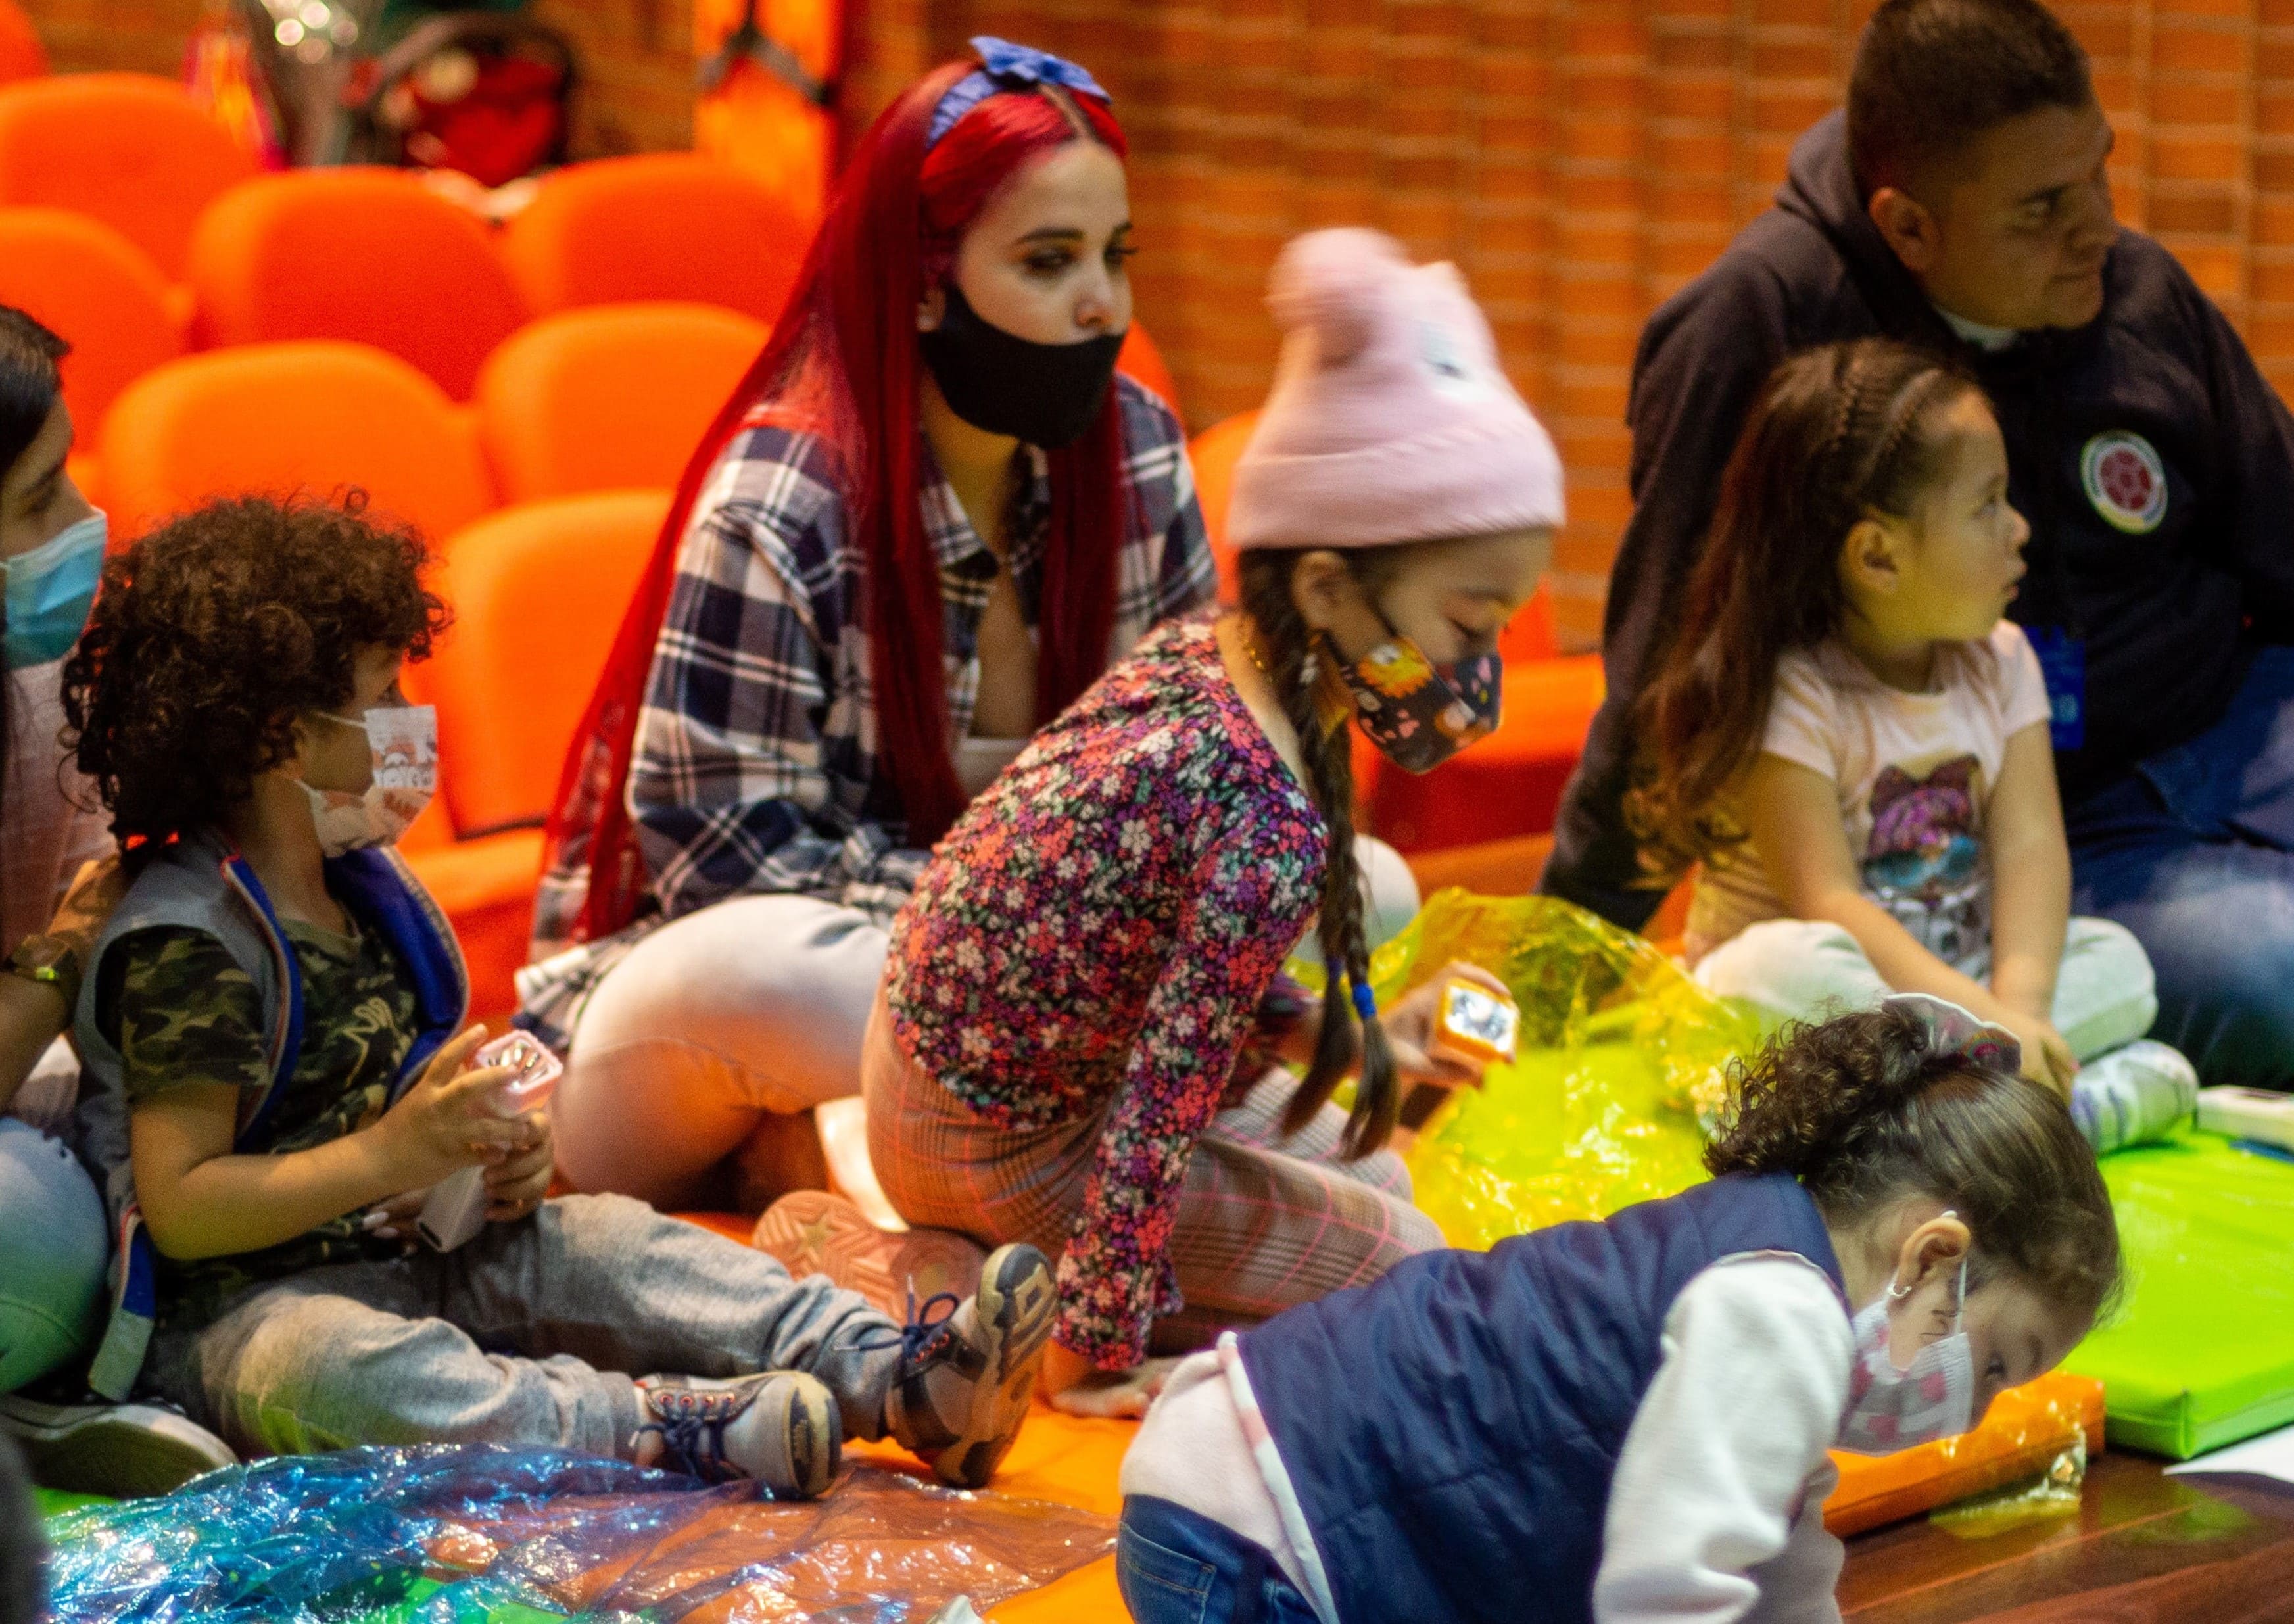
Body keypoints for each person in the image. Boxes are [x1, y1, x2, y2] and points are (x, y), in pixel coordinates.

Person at [57, 495, 1055, 1494]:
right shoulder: (190, 940)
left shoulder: (361, 885)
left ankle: (903, 1377)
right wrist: (393, 1152)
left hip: (414, 1252)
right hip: (243, 1313)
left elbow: (403, 1125)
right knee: (337, 1374)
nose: (411, 714)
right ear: (283, 736)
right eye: (384, 689)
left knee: (616, 1239)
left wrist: (491, 1160)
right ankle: (661, 1425)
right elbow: (183, 1207)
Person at [861, 227, 1561, 1418]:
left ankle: (989, 1257)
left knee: (1380, 1162)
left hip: (942, 1071)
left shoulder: (1209, 654)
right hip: (1001, 1138)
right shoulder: (1269, 814)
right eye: (1468, 624)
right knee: (1413, 1263)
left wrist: (1356, 1043)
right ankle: (949, 1276)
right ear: (1330, 588)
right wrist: (1098, 1348)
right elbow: (1160, 1096)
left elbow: (1158, 970)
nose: (1477, 668)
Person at [522, 37, 1218, 1216]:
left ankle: (864, 1178)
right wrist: (1032, 925)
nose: (1101, 301)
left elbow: (1199, 772)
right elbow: (721, 864)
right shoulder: (781, 495)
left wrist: (1108, 921)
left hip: (1034, 981)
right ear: (924, 281)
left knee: (1365, 884)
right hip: (706, 1019)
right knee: (764, 969)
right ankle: (931, 1163)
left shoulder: (1138, 445)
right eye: (1048, 262)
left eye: (1113, 255)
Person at [1544, 0, 2294, 1089]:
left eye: (2098, 173)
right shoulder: (1759, 325)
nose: (2095, 227)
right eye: (2040, 208)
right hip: (1983, 854)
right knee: (2273, 968)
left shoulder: (2133, 289)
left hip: (2221, 739)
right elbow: (1671, 671)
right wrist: (1555, 975)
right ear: (1905, 228)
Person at [1116, 996, 2122, 1624]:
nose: (1980, 1408)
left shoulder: (1775, 1265)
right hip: (1259, 1535)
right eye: (1996, 1361)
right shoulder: (1783, 1318)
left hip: (1246, 1488)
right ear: (1933, 1252)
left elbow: (1779, 1566)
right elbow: (1668, 1590)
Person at [1631, 338, 2197, 1153]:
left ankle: (1953, 1119)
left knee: (2122, 963)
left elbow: (2034, 846)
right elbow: (1829, 903)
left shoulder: (2002, 660)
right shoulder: (1796, 688)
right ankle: (2024, 1115)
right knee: (1782, 974)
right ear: (1878, 556)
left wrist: (2021, 1008)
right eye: (1989, 505)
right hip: (1838, 997)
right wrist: (1985, 1028)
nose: (2021, 529)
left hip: (1955, 1001)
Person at [0, 306, 238, 1494]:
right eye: (40, 498)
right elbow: (76, 940)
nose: (81, 523)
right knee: (26, 1234)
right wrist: (65, 948)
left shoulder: (42, 671)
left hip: (28, 1083)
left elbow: (115, 879)